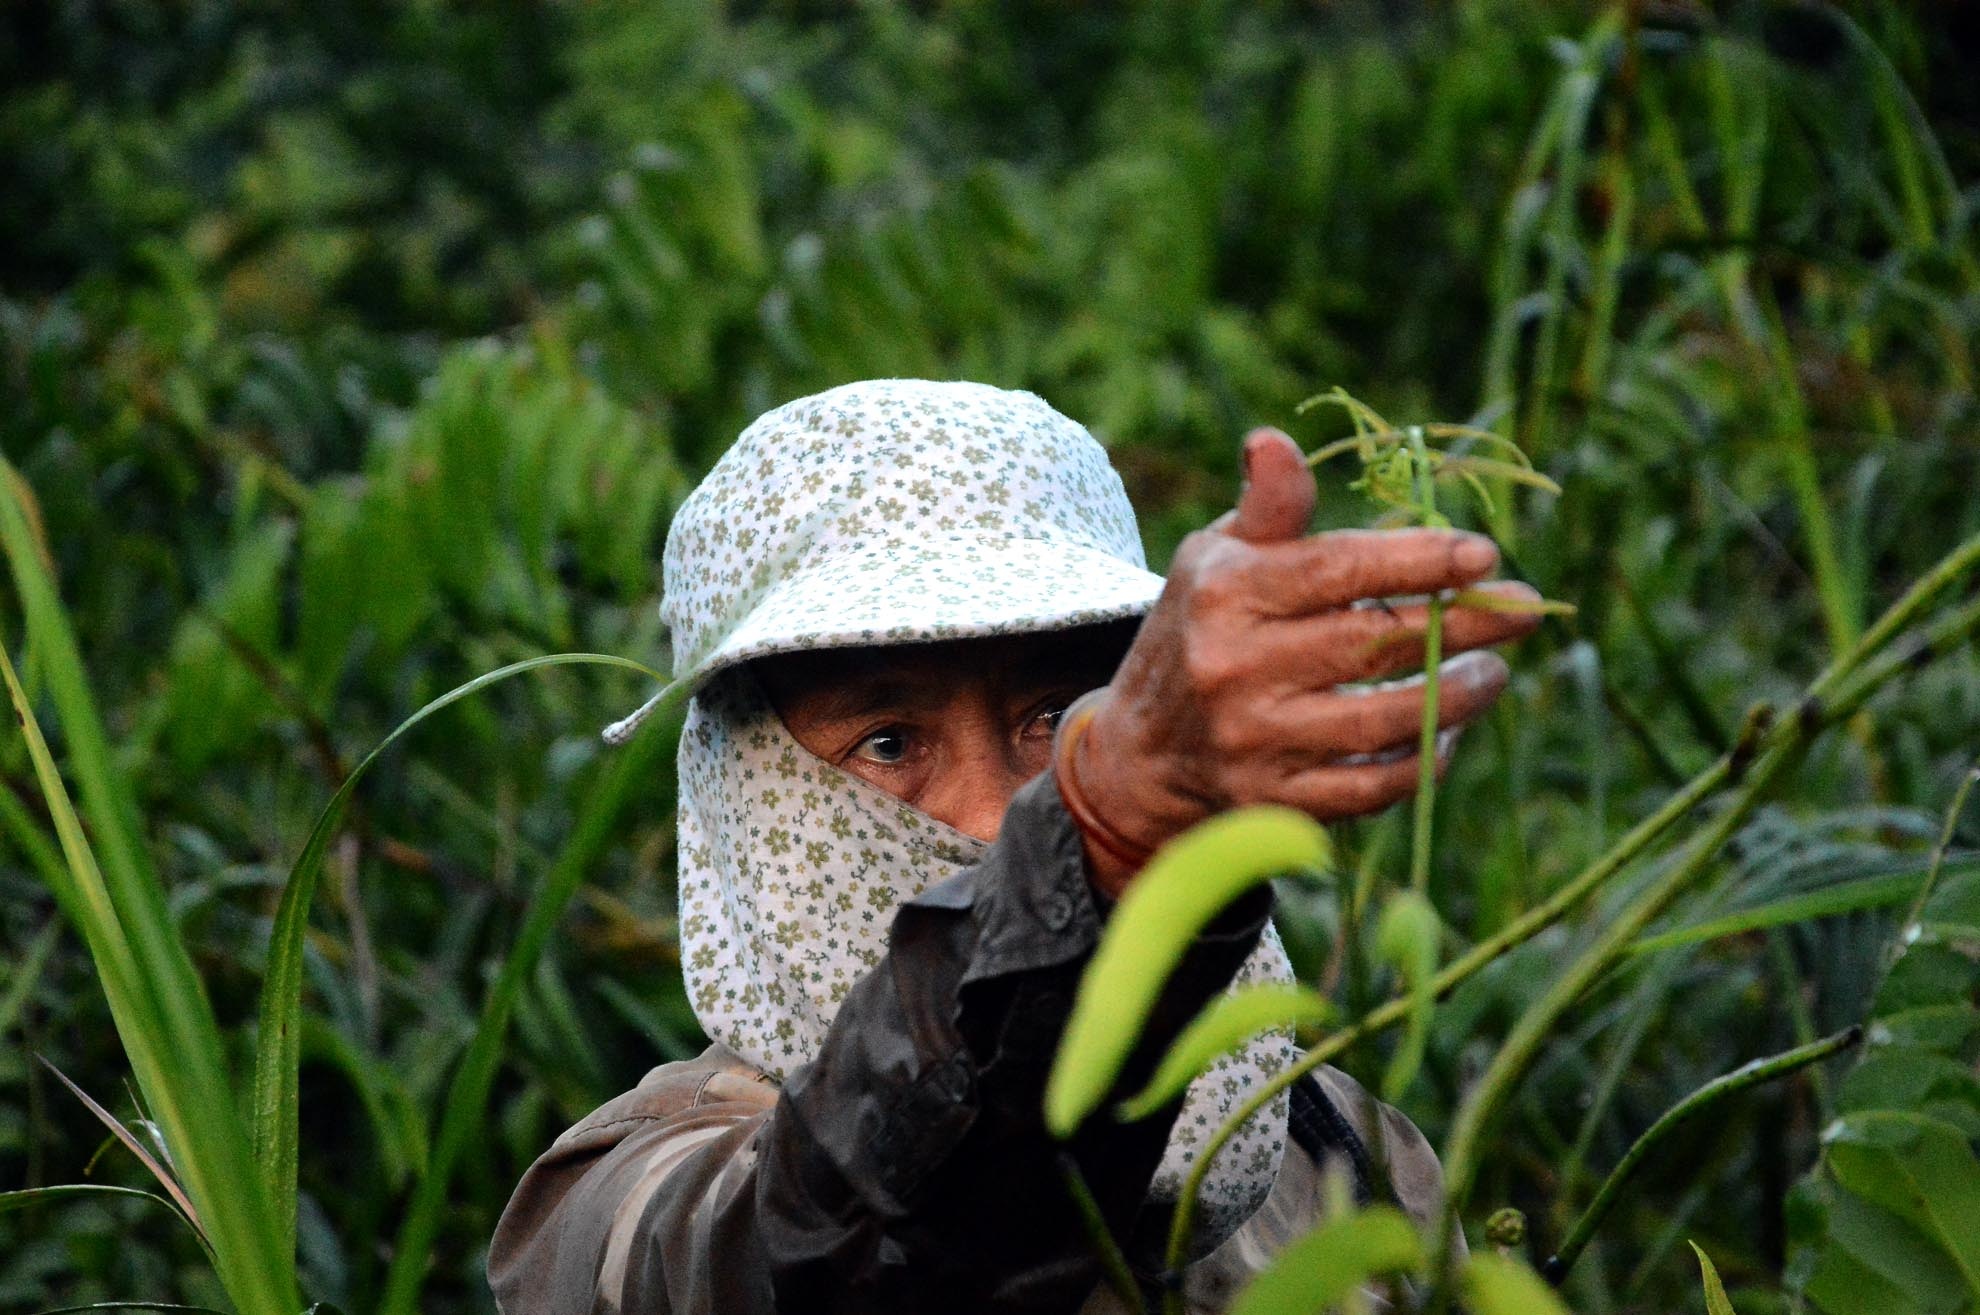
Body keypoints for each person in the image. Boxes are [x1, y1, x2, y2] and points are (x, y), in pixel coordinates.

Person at [488, 379, 1538, 1313]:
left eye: (1050, 719)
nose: (993, 820)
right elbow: (833, 1246)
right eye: (889, 743)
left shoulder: (1336, 1144)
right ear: (752, 793)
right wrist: (1092, 840)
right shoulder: (628, 1198)